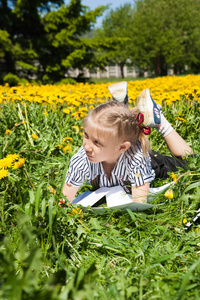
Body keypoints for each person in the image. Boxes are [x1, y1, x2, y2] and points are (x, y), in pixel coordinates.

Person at [61, 82, 193, 204]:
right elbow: (64, 199)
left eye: (97, 142)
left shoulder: (137, 158)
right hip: (119, 147)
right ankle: (120, 109)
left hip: (153, 162)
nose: (87, 146)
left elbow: (138, 203)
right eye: (86, 135)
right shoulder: (82, 158)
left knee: (191, 162)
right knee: (117, 130)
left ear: (122, 147)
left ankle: (159, 120)